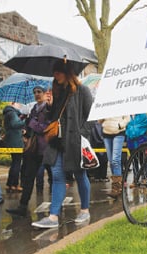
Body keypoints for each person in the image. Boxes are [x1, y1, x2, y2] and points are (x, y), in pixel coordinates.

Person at [31, 58, 92, 229]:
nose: (55, 75)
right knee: (57, 176)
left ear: (67, 73)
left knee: (80, 175)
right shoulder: (57, 92)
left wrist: (82, 135)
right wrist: (49, 106)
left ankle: (85, 210)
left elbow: (91, 117)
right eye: (54, 73)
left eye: (57, 72)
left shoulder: (82, 90)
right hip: (57, 140)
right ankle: (53, 217)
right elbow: (52, 118)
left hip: (75, 142)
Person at [7, 86, 50, 217]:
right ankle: (23, 206)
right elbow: (29, 125)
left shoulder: (49, 108)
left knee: (54, 177)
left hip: (46, 148)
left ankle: (56, 209)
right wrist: (26, 131)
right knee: (28, 177)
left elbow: (46, 128)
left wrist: (32, 124)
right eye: (35, 92)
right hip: (33, 149)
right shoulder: (33, 109)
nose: (37, 94)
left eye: (39, 92)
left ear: (45, 93)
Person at [100, 115, 129, 198]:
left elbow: (127, 118)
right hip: (106, 133)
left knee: (115, 160)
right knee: (111, 161)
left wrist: (120, 125)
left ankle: (117, 187)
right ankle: (116, 186)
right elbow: (99, 120)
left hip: (119, 132)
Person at [2, 103, 25, 192]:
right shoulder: (12, 113)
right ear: (14, 103)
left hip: (11, 139)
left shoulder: (8, 112)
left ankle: (9, 184)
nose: (20, 105)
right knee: (17, 163)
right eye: (19, 103)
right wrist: (25, 121)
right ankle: (14, 184)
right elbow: (15, 124)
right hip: (16, 141)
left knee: (14, 163)